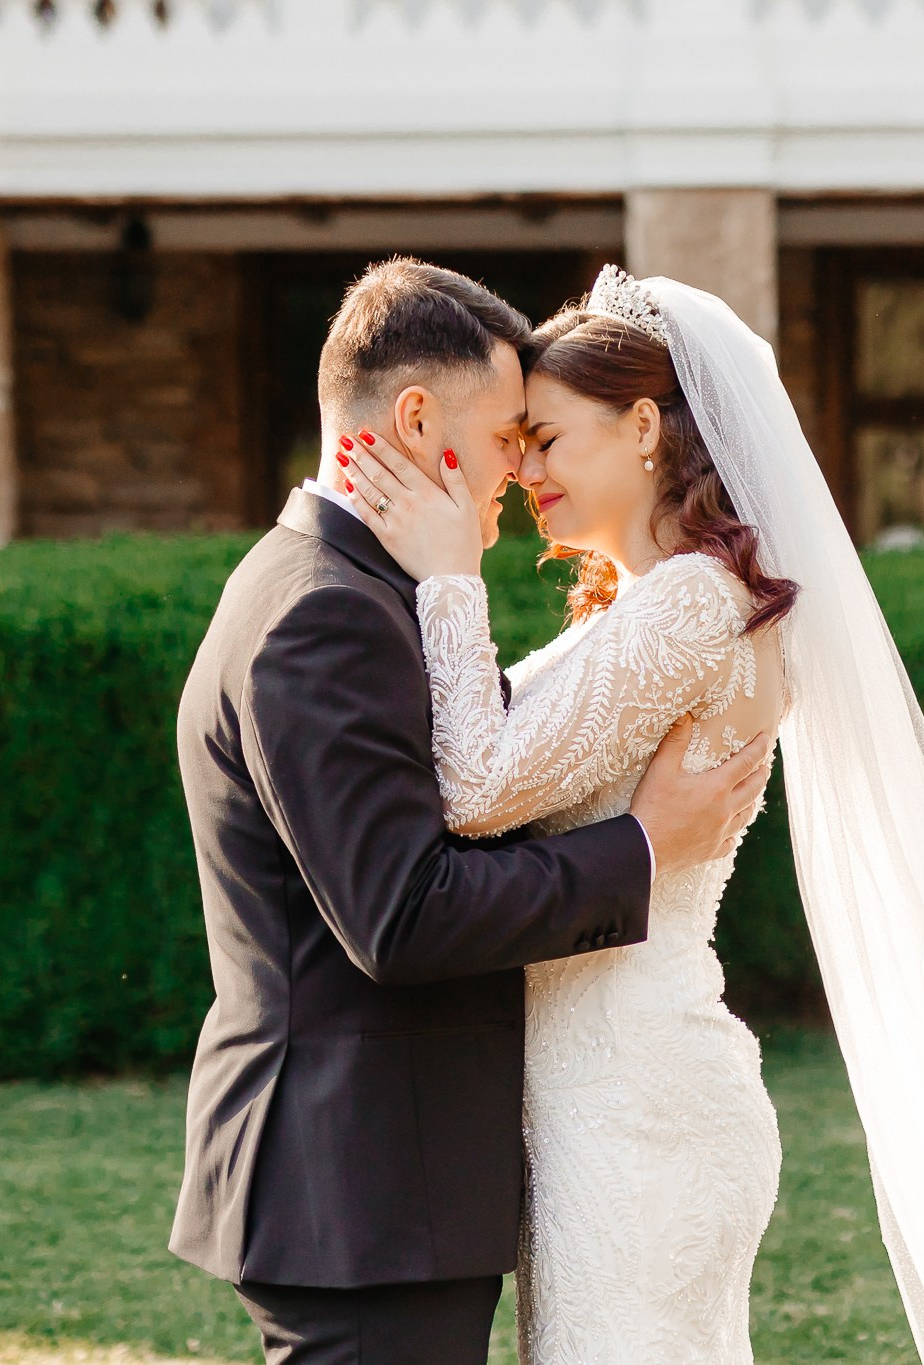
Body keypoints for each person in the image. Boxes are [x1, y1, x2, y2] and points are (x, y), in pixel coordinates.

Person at [336, 264, 924, 1365]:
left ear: (645, 426)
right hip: (608, 1098)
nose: (520, 472)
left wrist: (446, 576)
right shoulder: (655, 600)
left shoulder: (691, 604)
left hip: (633, 1106)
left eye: (548, 440)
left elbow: (473, 789)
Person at [166, 257, 774, 1365]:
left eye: (542, 437)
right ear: (413, 417)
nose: (519, 468)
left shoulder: (348, 588)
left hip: (432, 1174)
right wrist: (637, 853)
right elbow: (403, 914)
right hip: (361, 1189)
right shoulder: (327, 614)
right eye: (510, 434)